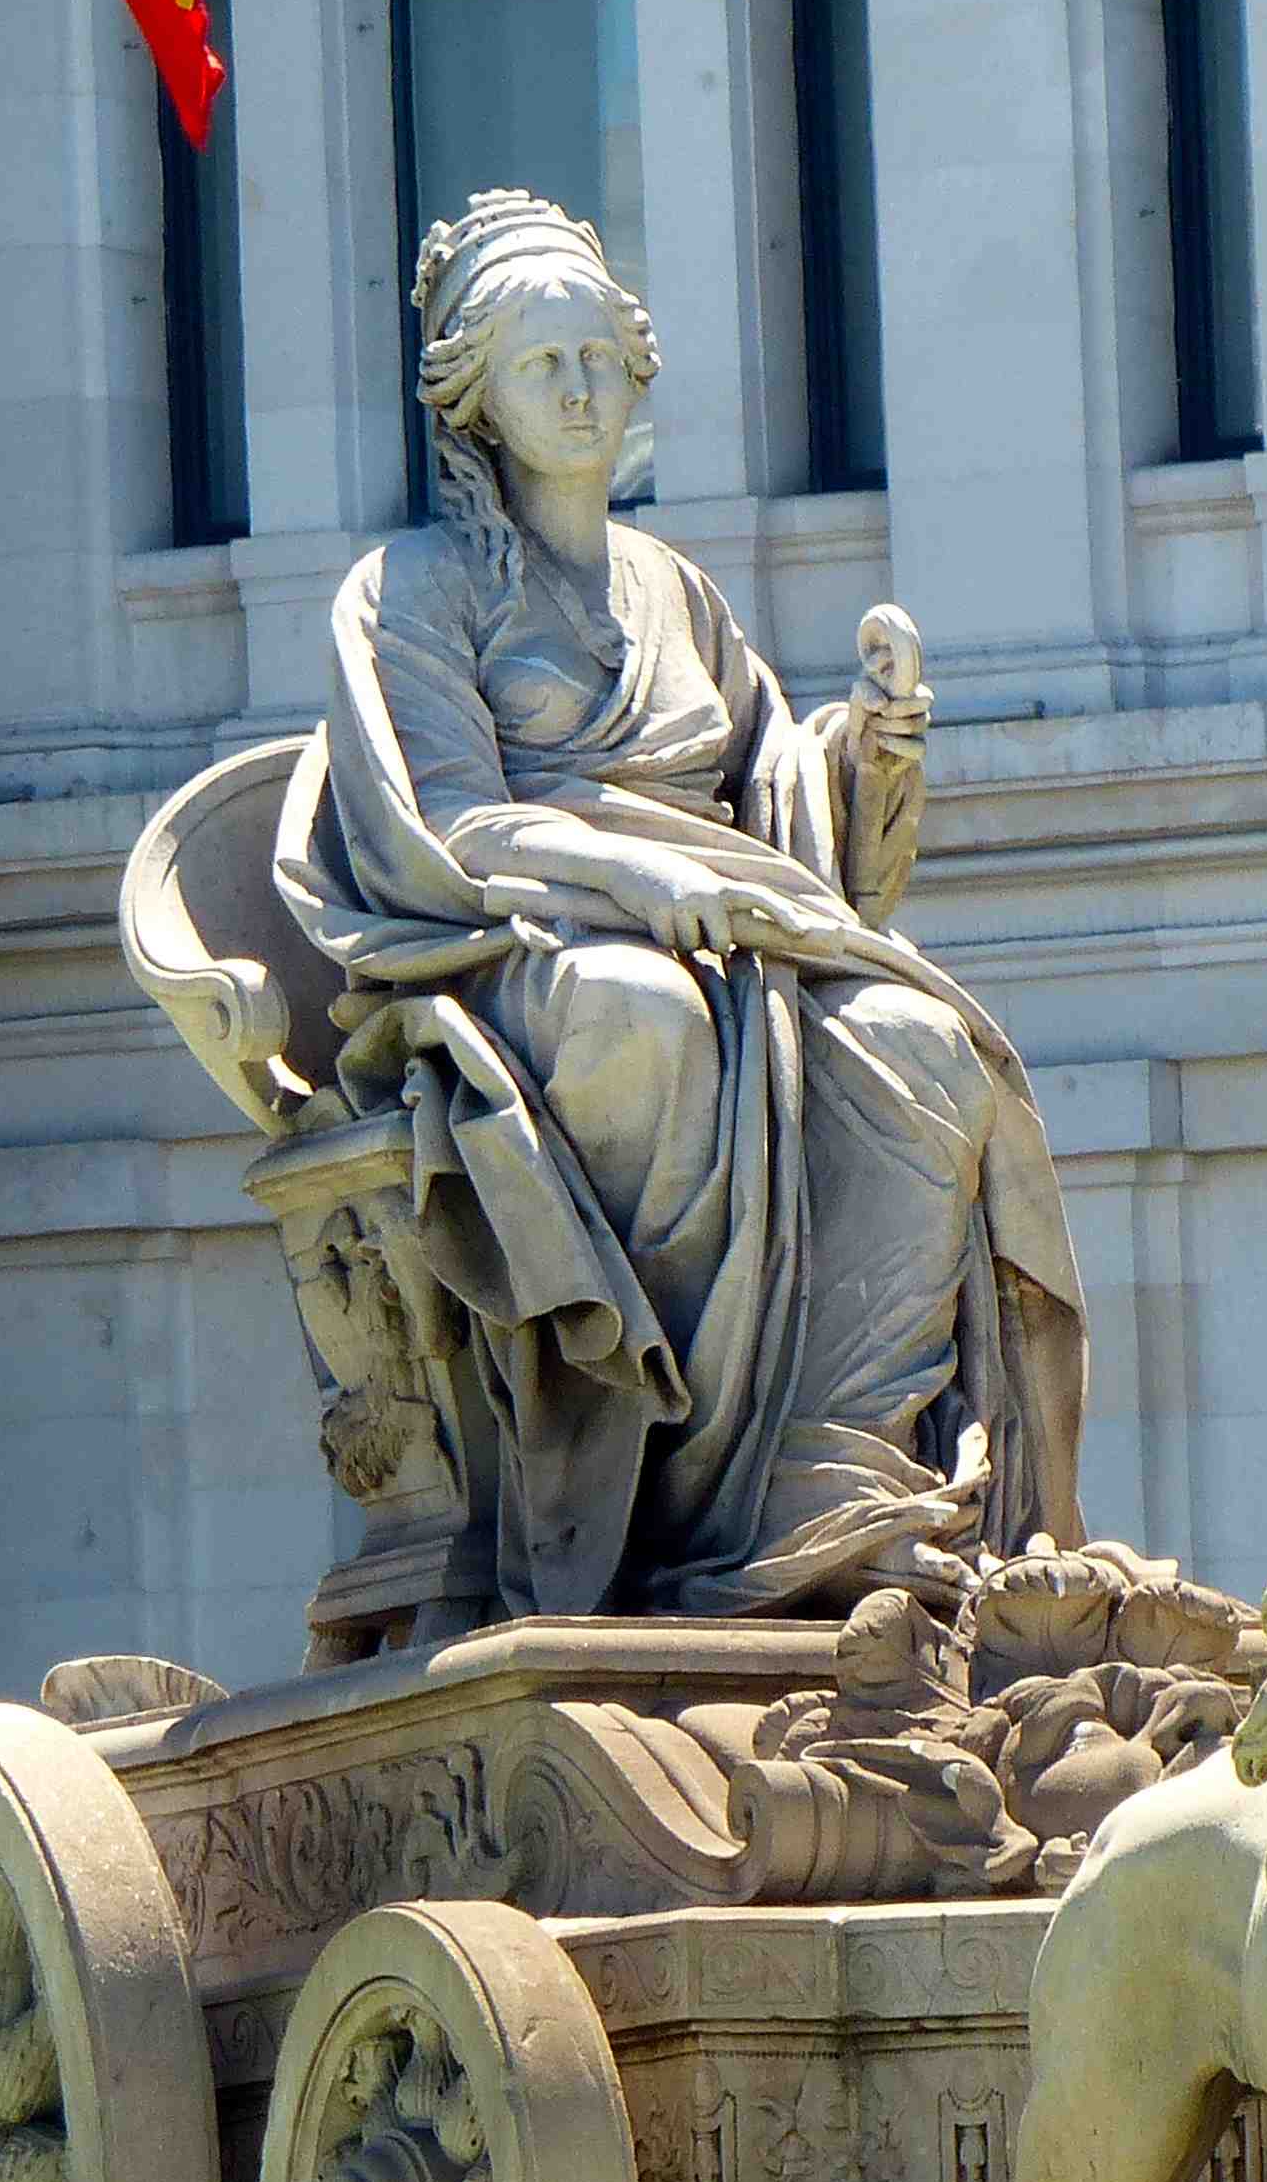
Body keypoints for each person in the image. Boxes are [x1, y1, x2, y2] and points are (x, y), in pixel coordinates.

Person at [277, 190, 1088, 1619]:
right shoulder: (409, 589)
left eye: (600, 357)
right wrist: (636, 876)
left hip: (733, 937)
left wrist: (868, 751)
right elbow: (442, 824)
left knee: (921, 1049)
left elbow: (778, 799)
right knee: (643, 1021)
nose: (583, 392)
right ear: (475, 396)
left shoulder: (675, 588)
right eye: (543, 365)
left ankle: (828, 1477)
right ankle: (658, 1505)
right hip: (511, 956)